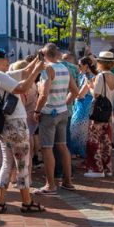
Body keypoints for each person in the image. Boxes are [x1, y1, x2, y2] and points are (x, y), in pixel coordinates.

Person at [0, 50, 46, 213]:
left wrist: (37, 60)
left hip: (7, 125)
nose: (7, 60)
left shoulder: (3, 75)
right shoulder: (0, 76)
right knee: (22, 163)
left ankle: (1, 202)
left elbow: (25, 71)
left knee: (7, 163)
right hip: (15, 125)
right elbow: (22, 88)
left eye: (7, 58)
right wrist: (37, 69)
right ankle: (27, 202)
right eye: (3, 59)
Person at [33, 43, 80, 194]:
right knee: (62, 146)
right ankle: (68, 181)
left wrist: (37, 111)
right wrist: (64, 103)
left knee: (47, 148)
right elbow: (75, 91)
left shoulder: (48, 69)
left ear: (45, 55)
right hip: (62, 112)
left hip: (49, 113)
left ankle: (50, 184)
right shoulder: (65, 68)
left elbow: (44, 94)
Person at [84, 52, 114, 178]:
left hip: (98, 113)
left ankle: (96, 169)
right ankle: (107, 168)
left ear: (101, 63)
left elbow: (96, 94)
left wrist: (90, 86)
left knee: (94, 141)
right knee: (106, 142)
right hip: (108, 113)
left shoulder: (100, 76)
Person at [69, 56, 96, 157]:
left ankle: (82, 152)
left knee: (79, 129)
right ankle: (79, 152)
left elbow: (80, 94)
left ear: (86, 66)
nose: (78, 67)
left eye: (80, 65)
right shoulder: (83, 75)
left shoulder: (89, 77)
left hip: (84, 104)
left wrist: (71, 91)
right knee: (79, 129)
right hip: (80, 104)